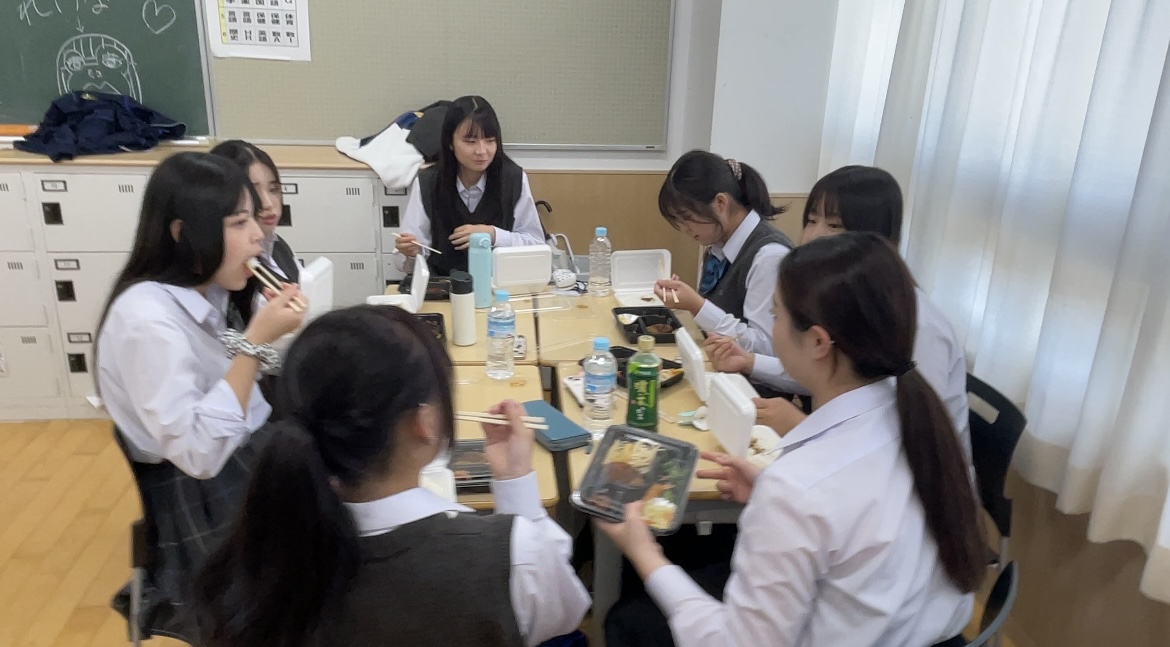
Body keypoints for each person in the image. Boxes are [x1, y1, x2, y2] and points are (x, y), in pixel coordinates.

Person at [602, 232, 985, 647]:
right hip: (933, 635)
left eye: (777, 314)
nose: (773, 324)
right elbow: (857, 522)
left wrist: (646, 554)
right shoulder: (918, 421)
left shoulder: (800, 487)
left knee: (629, 619)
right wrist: (771, 492)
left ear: (818, 342)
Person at [194, 305, 591, 647]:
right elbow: (561, 611)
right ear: (424, 422)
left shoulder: (257, 549)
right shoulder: (511, 554)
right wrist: (516, 483)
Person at [95, 151, 306, 641]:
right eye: (239, 223)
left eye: (254, 218)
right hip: (204, 487)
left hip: (242, 447)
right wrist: (254, 341)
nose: (258, 236)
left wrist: (263, 329)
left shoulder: (205, 289)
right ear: (181, 233)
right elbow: (199, 453)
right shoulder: (147, 321)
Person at [707, 166, 970, 452]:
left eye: (834, 226)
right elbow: (828, 373)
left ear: (874, 237)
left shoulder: (920, 326)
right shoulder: (843, 297)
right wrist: (749, 362)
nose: (813, 237)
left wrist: (801, 427)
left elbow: (906, 448)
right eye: (811, 220)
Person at [652, 150, 794, 361]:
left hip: (746, 379)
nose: (684, 229)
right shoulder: (719, 243)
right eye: (678, 221)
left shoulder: (769, 256)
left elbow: (766, 348)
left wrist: (697, 305)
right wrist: (686, 301)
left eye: (686, 218)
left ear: (720, 203)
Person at [395, 96, 545, 276]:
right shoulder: (428, 182)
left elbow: (537, 245)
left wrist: (493, 235)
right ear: (450, 142)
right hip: (445, 285)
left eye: (490, 140)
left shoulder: (513, 178)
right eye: (470, 141)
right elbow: (405, 261)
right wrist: (410, 252)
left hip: (501, 284)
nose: (482, 151)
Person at [209, 139, 299, 283]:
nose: (268, 204)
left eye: (273, 189)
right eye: (254, 193)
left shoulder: (277, 244)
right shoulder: (232, 271)